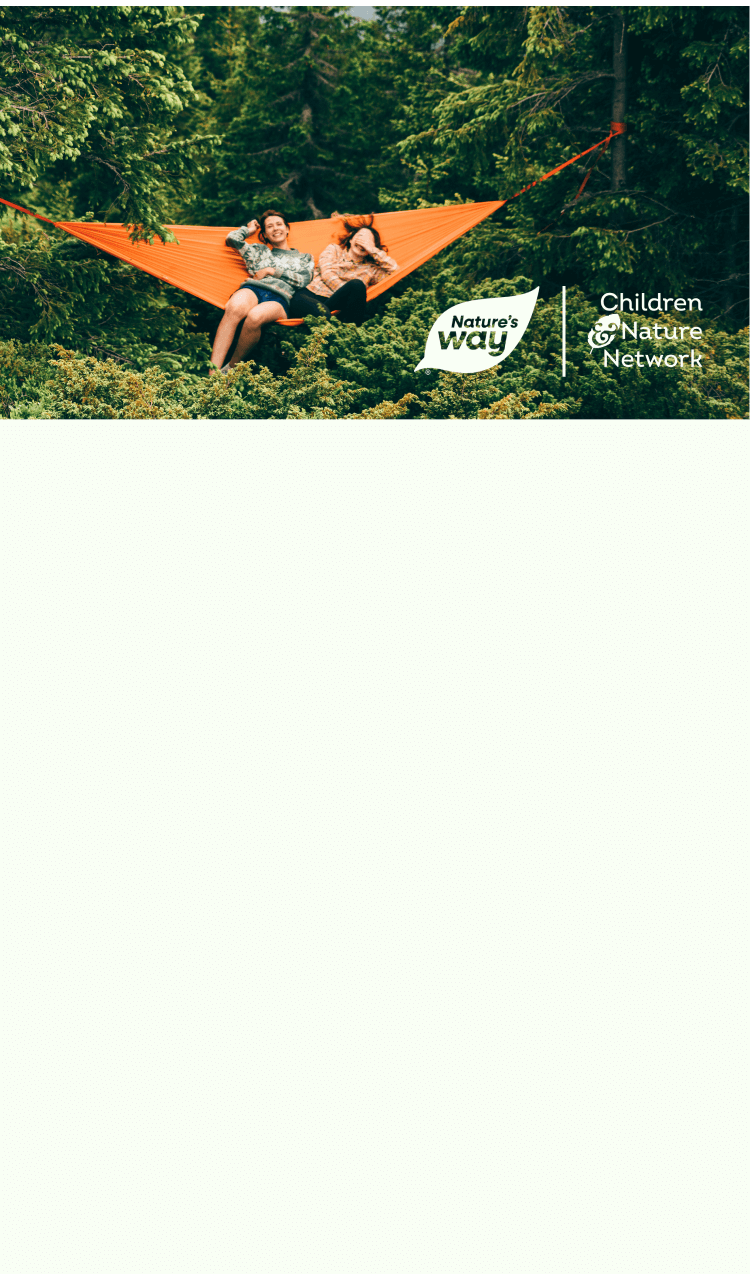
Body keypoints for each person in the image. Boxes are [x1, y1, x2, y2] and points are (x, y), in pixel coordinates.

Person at [211, 210, 313, 372]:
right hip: (254, 289)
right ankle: (212, 373)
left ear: (287, 229)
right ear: (264, 234)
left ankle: (230, 368)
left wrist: (272, 271)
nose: (275, 229)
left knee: (255, 316)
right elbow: (232, 239)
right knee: (234, 307)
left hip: (280, 298)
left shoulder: (304, 258)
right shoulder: (258, 251)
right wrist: (248, 229)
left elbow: (303, 280)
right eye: (269, 227)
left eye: (279, 224)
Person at [288, 214, 398, 326]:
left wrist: (373, 250)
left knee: (357, 285)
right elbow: (327, 272)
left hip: (333, 304)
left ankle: (351, 333)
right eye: (360, 236)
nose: (363, 242)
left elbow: (395, 271)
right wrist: (346, 292)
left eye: (368, 240)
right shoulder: (334, 250)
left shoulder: (371, 269)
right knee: (324, 313)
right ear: (351, 239)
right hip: (308, 295)